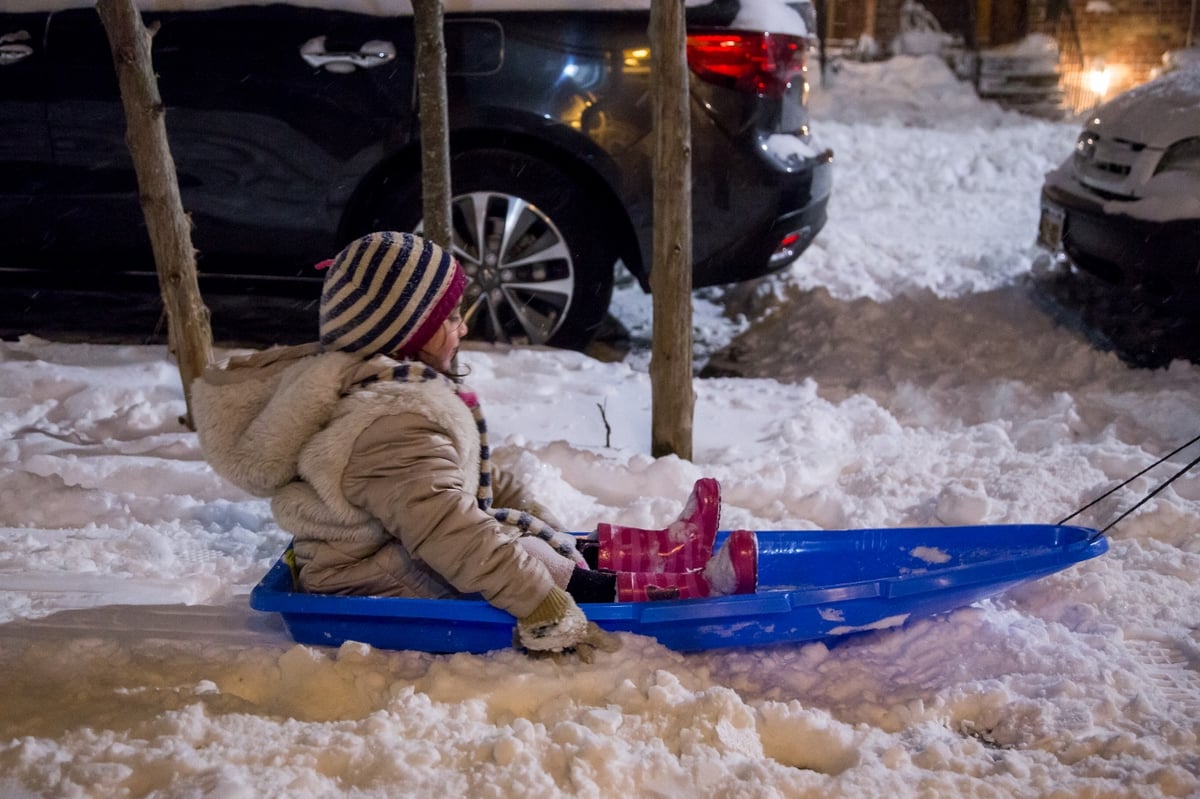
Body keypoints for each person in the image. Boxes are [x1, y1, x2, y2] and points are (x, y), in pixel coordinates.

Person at [192, 231, 755, 653]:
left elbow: (456, 483)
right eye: (453, 317)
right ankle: (688, 589)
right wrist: (541, 604)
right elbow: (447, 529)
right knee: (531, 565)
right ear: (406, 332)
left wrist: (523, 509)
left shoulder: (388, 395)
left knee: (530, 541)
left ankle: (662, 552)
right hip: (371, 579)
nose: (463, 328)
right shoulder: (390, 425)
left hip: (392, 549)